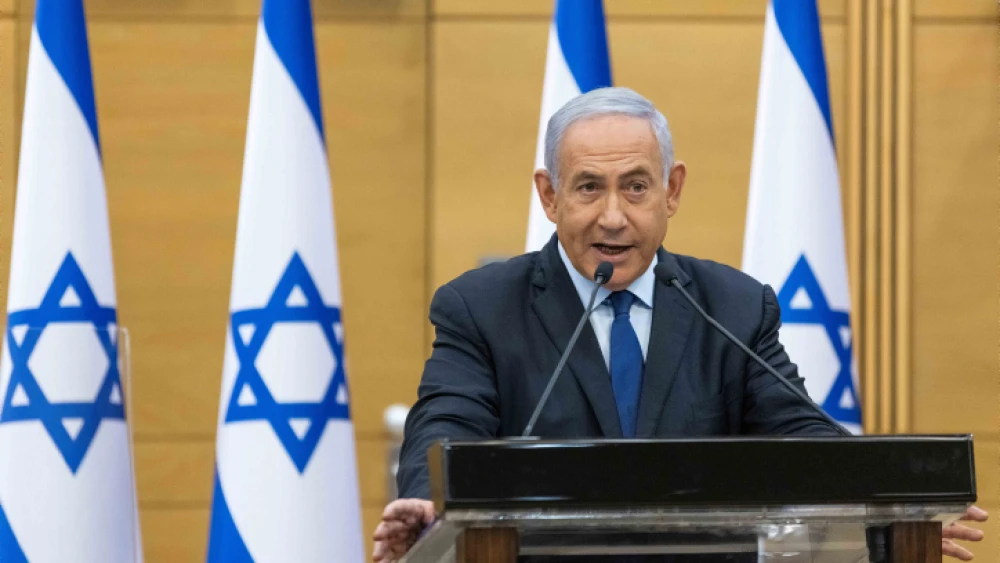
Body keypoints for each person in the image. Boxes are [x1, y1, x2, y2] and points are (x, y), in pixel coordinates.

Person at [372, 87, 987, 562]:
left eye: (635, 187)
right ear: (549, 196)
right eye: (589, 187)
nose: (613, 216)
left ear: (672, 189)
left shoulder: (733, 307)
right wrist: (428, 503)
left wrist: (889, 502)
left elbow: (800, 433)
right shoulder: (482, 306)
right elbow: (447, 422)